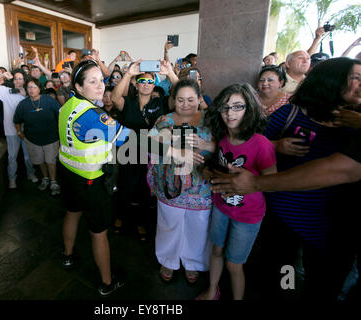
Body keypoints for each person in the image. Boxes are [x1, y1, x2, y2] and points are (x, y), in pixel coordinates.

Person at [255, 57, 360, 300]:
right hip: (285, 219)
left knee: (323, 285)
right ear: (331, 81)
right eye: (354, 78)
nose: (360, 84)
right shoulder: (290, 114)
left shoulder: (356, 125)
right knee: (285, 275)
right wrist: (276, 146)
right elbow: (254, 146)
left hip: (334, 229)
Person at [58, 60, 131, 296]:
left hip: (68, 173)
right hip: (91, 181)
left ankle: (67, 256)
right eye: (92, 81)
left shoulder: (68, 105)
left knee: (72, 212)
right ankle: (107, 283)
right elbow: (130, 140)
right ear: (79, 87)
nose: (101, 86)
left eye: (101, 80)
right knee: (98, 233)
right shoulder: (93, 115)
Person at [198, 83, 277, 300]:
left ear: (249, 108)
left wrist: (249, 181)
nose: (230, 113)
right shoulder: (223, 136)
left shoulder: (261, 144)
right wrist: (208, 171)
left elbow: (272, 181)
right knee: (216, 250)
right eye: (225, 107)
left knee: (234, 264)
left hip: (248, 215)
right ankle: (212, 290)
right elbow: (218, 163)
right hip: (221, 207)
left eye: (237, 106)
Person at [147, 79, 214, 284]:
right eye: (180, 100)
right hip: (171, 185)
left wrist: (206, 145)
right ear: (173, 100)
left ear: (200, 99)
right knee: (169, 224)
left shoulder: (211, 120)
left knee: (199, 227)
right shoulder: (164, 121)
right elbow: (147, 144)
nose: (186, 104)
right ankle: (168, 259)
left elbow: (226, 146)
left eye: (191, 99)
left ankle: (193, 262)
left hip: (202, 186)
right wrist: (176, 152)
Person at [110, 59, 179, 240]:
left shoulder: (160, 103)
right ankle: (120, 218)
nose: (147, 84)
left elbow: (182, 94)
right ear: (136, 84)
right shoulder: (129, 102)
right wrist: (129, 73)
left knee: (145, 189)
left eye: (151, 81)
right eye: (143, 81)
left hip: (152, 154)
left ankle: (141, 222)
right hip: (129, 152)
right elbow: (114, 98)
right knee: (125, 187)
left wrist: (170, 73)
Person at [0, 69, 37, 189]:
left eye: (20, 78)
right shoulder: (6, 91)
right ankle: (12, 179)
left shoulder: (28, 92)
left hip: (26, 130)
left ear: (24, 80)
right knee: (12, 156)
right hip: (11, 130)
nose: (18, 81)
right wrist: (3, 75)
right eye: (15, 78)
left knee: (28, 155)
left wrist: (23, 93)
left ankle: (31, 173)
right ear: (12, 79)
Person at [13, 78, 61, 195]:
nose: (32, 90)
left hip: (51, 138)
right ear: (26, 89)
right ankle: (45, 178)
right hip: (33, 140)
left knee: (50, 161)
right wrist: (20, 133)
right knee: (40, 161)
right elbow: (16, 120)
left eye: (34, 87)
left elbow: (60, 116)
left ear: (39, 89)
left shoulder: (49, 100)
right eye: (29, 87)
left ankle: (53, 181)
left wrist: (61, 135)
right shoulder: (23, 104)